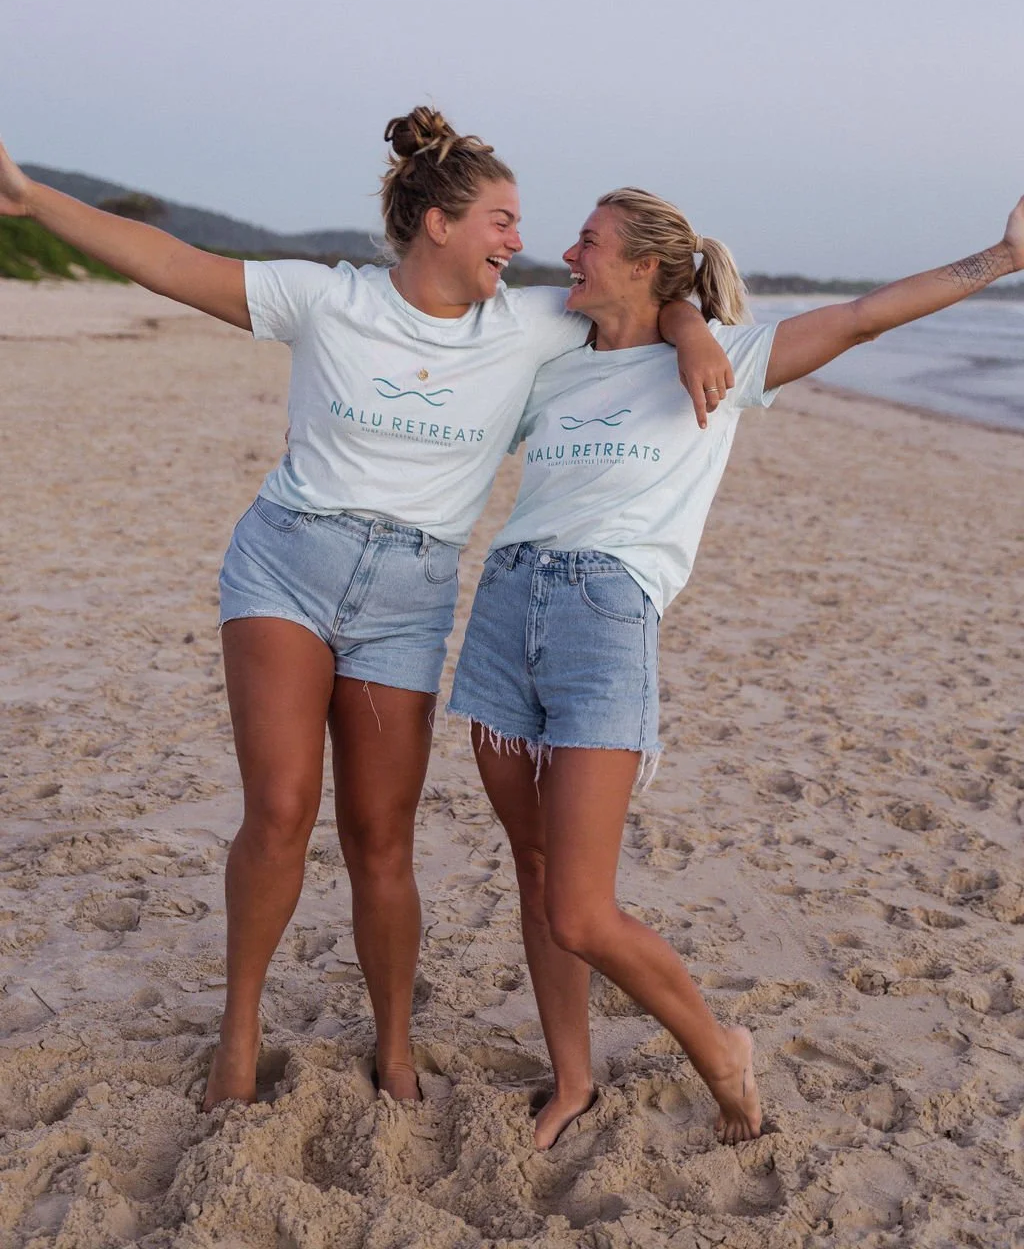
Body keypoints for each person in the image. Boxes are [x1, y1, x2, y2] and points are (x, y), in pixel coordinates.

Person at [0, 117, 730, 1109]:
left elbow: (651, 300)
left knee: (380, 838)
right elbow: (174, 262)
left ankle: (394, 1043)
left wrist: (690, 330)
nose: (521, 242)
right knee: (282, 810)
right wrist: (34, 200)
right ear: (437, 222)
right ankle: (239, 1032)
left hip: (410, 596)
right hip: (288, 563)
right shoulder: (324, 298)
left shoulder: (530, 326)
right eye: (501, 220)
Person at [450, 185, 1024, 1150]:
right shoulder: (553, 356)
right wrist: (680, 324)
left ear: (643, 266)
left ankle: (719, 1048)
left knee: (582, 910)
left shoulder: (728, 364)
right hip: (506, 610)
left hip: (605, 619)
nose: (569, 253)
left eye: (589, 242)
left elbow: (860, 317)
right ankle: (574, 1080)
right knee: (534, 868)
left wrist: (1000, 260)